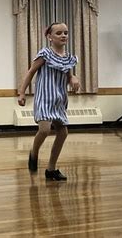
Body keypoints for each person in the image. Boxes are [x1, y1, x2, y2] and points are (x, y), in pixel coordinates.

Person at [17, 22, 80, 181]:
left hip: (59, 99)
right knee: (44, 129)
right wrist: (22, 92)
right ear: (49, 37)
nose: (63, 35)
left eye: (65, 33)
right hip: (44, 98)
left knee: (63, 132)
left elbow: (68, 74)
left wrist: (73, 78)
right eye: (58, 33)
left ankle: (51, 169)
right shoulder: (45, 54)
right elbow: (31, 72)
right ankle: (34, 152)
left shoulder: (67, 58)